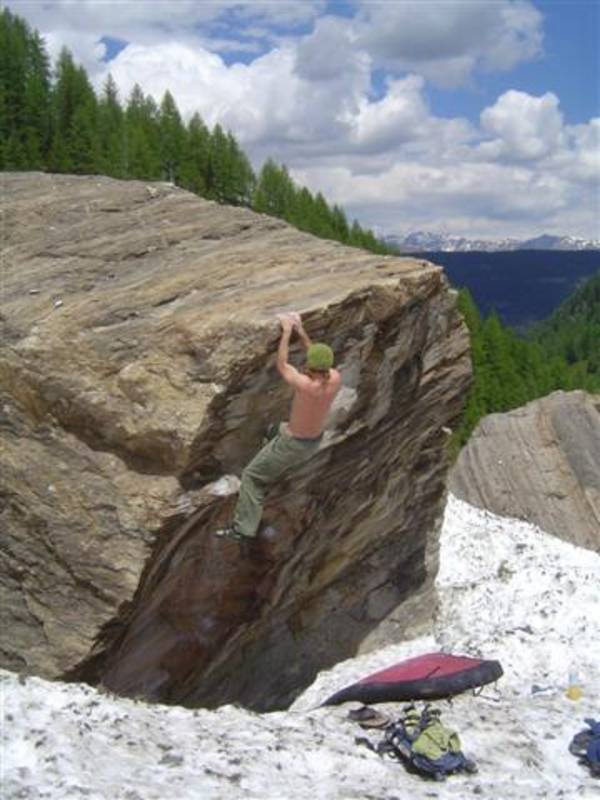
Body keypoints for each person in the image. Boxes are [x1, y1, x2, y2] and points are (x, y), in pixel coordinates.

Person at [215, 312, 342, 543]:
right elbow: (314, 354)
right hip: (312, 440)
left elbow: (282, 364)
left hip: (292, 444)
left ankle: (243, 530)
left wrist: (286, 331)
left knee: (251, 477)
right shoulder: (334, 378)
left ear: (311, 367)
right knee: (274, 429)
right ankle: (269, 462)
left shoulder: (305, 384)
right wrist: (300, 330)